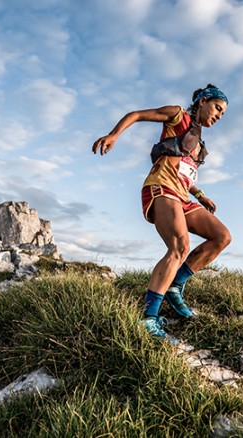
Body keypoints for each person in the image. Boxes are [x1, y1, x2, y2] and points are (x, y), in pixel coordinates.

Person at [92, 84, 232, 343]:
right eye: (217, 108)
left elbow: (185, 176)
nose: (219, 116)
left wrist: (200, 196)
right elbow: (136, 115)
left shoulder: (198, 144)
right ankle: (148, 318)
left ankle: (175, 286)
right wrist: (113, 136)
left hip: (181, 195)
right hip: (161, 188)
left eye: (223, 114)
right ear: (202, 101)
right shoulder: (178, 115)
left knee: (221, 237)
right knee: (179, 246)